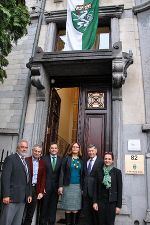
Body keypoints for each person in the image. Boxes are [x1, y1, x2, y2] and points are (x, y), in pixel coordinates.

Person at [0, 139, 32, 225]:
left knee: (17, 223)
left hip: (22, 199)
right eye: (22, 147)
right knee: (6, 222)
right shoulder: (10, 159)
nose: (24, 149)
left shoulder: (26, 161)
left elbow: (28, 179)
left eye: (26, 147)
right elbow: (5, 178)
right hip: (11, 198)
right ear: (18, 148)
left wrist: (28, 194)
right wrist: (6, 195)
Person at [93, 152, 122, 225]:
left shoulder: (117, 172)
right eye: (105, 159)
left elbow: (120, 189)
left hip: (112, 202)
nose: (107, 160)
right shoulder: (98, 171)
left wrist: (118, 206)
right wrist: (95, 202)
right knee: (101, 222)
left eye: (109, 159)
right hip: (101, 202)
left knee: (110, 222)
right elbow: (95, 188)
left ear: (112, 160)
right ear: (103, 160)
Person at [58, 142, 83, 225]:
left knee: (76, 208)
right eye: (73, 147)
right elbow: (62, 172)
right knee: (68, 208)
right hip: (67, 186)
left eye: (77, 147)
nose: (75, 148)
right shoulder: (66, 158)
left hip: (78, 187)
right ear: (71, 148)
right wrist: (60, 186)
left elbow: (83, 174)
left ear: (79, 149)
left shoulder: (81, 160)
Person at [22, 144, 46, 225]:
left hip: (35, 189)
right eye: (35, 151)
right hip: (25, 188)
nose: (37, 153)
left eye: (39, 151)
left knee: (30, 213)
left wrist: (41, 191)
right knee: (21, 210)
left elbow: (43, 178)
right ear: (32, 151)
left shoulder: (42, 163)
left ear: (40, 153)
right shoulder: (26, 160)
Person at [39, 143, 62, 225]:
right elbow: (40, 174)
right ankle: (42, 223)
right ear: (49, 149)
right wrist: (42, 187)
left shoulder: (60, 160)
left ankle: (51, 223)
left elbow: (61, 174)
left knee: (53, 208)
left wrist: (60, 186)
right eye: (52, 148)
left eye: (55, 148)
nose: (54, 149)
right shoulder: (43, 159)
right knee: (44, 207)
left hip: (55, 189)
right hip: (45, 187)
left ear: (57, 150)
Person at [82, 144, 103, 225]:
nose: (91, 152)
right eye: (89, 151)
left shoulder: (101, 162)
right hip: (85, 192)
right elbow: (83, 175)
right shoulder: (85, 161)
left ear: (96, 151)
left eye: (92, 150)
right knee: (86, 213)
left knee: (96, 214)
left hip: (96, 192)